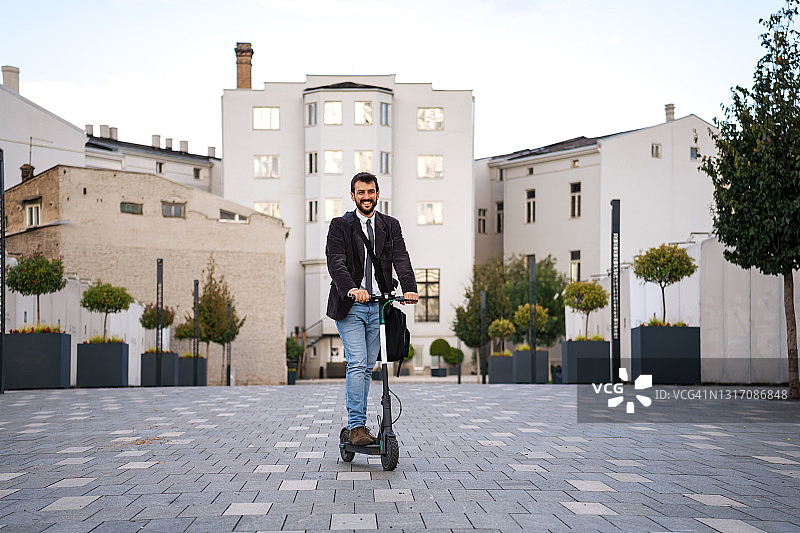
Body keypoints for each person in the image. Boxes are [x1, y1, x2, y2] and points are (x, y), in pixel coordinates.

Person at [325, 172, 418, 446]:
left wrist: (409, 287)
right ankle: (356, 426)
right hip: (351, 305)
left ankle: (361, 426)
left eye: (371, 192)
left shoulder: (390, 225)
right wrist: (353, 288)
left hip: (379, 306)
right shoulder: (340, 225)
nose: (367, 197)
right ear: (353, 196)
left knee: (367, 366)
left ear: (378, 194)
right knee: (356, 362)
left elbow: (400, 257)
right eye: (361, 192)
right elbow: (336, 262)